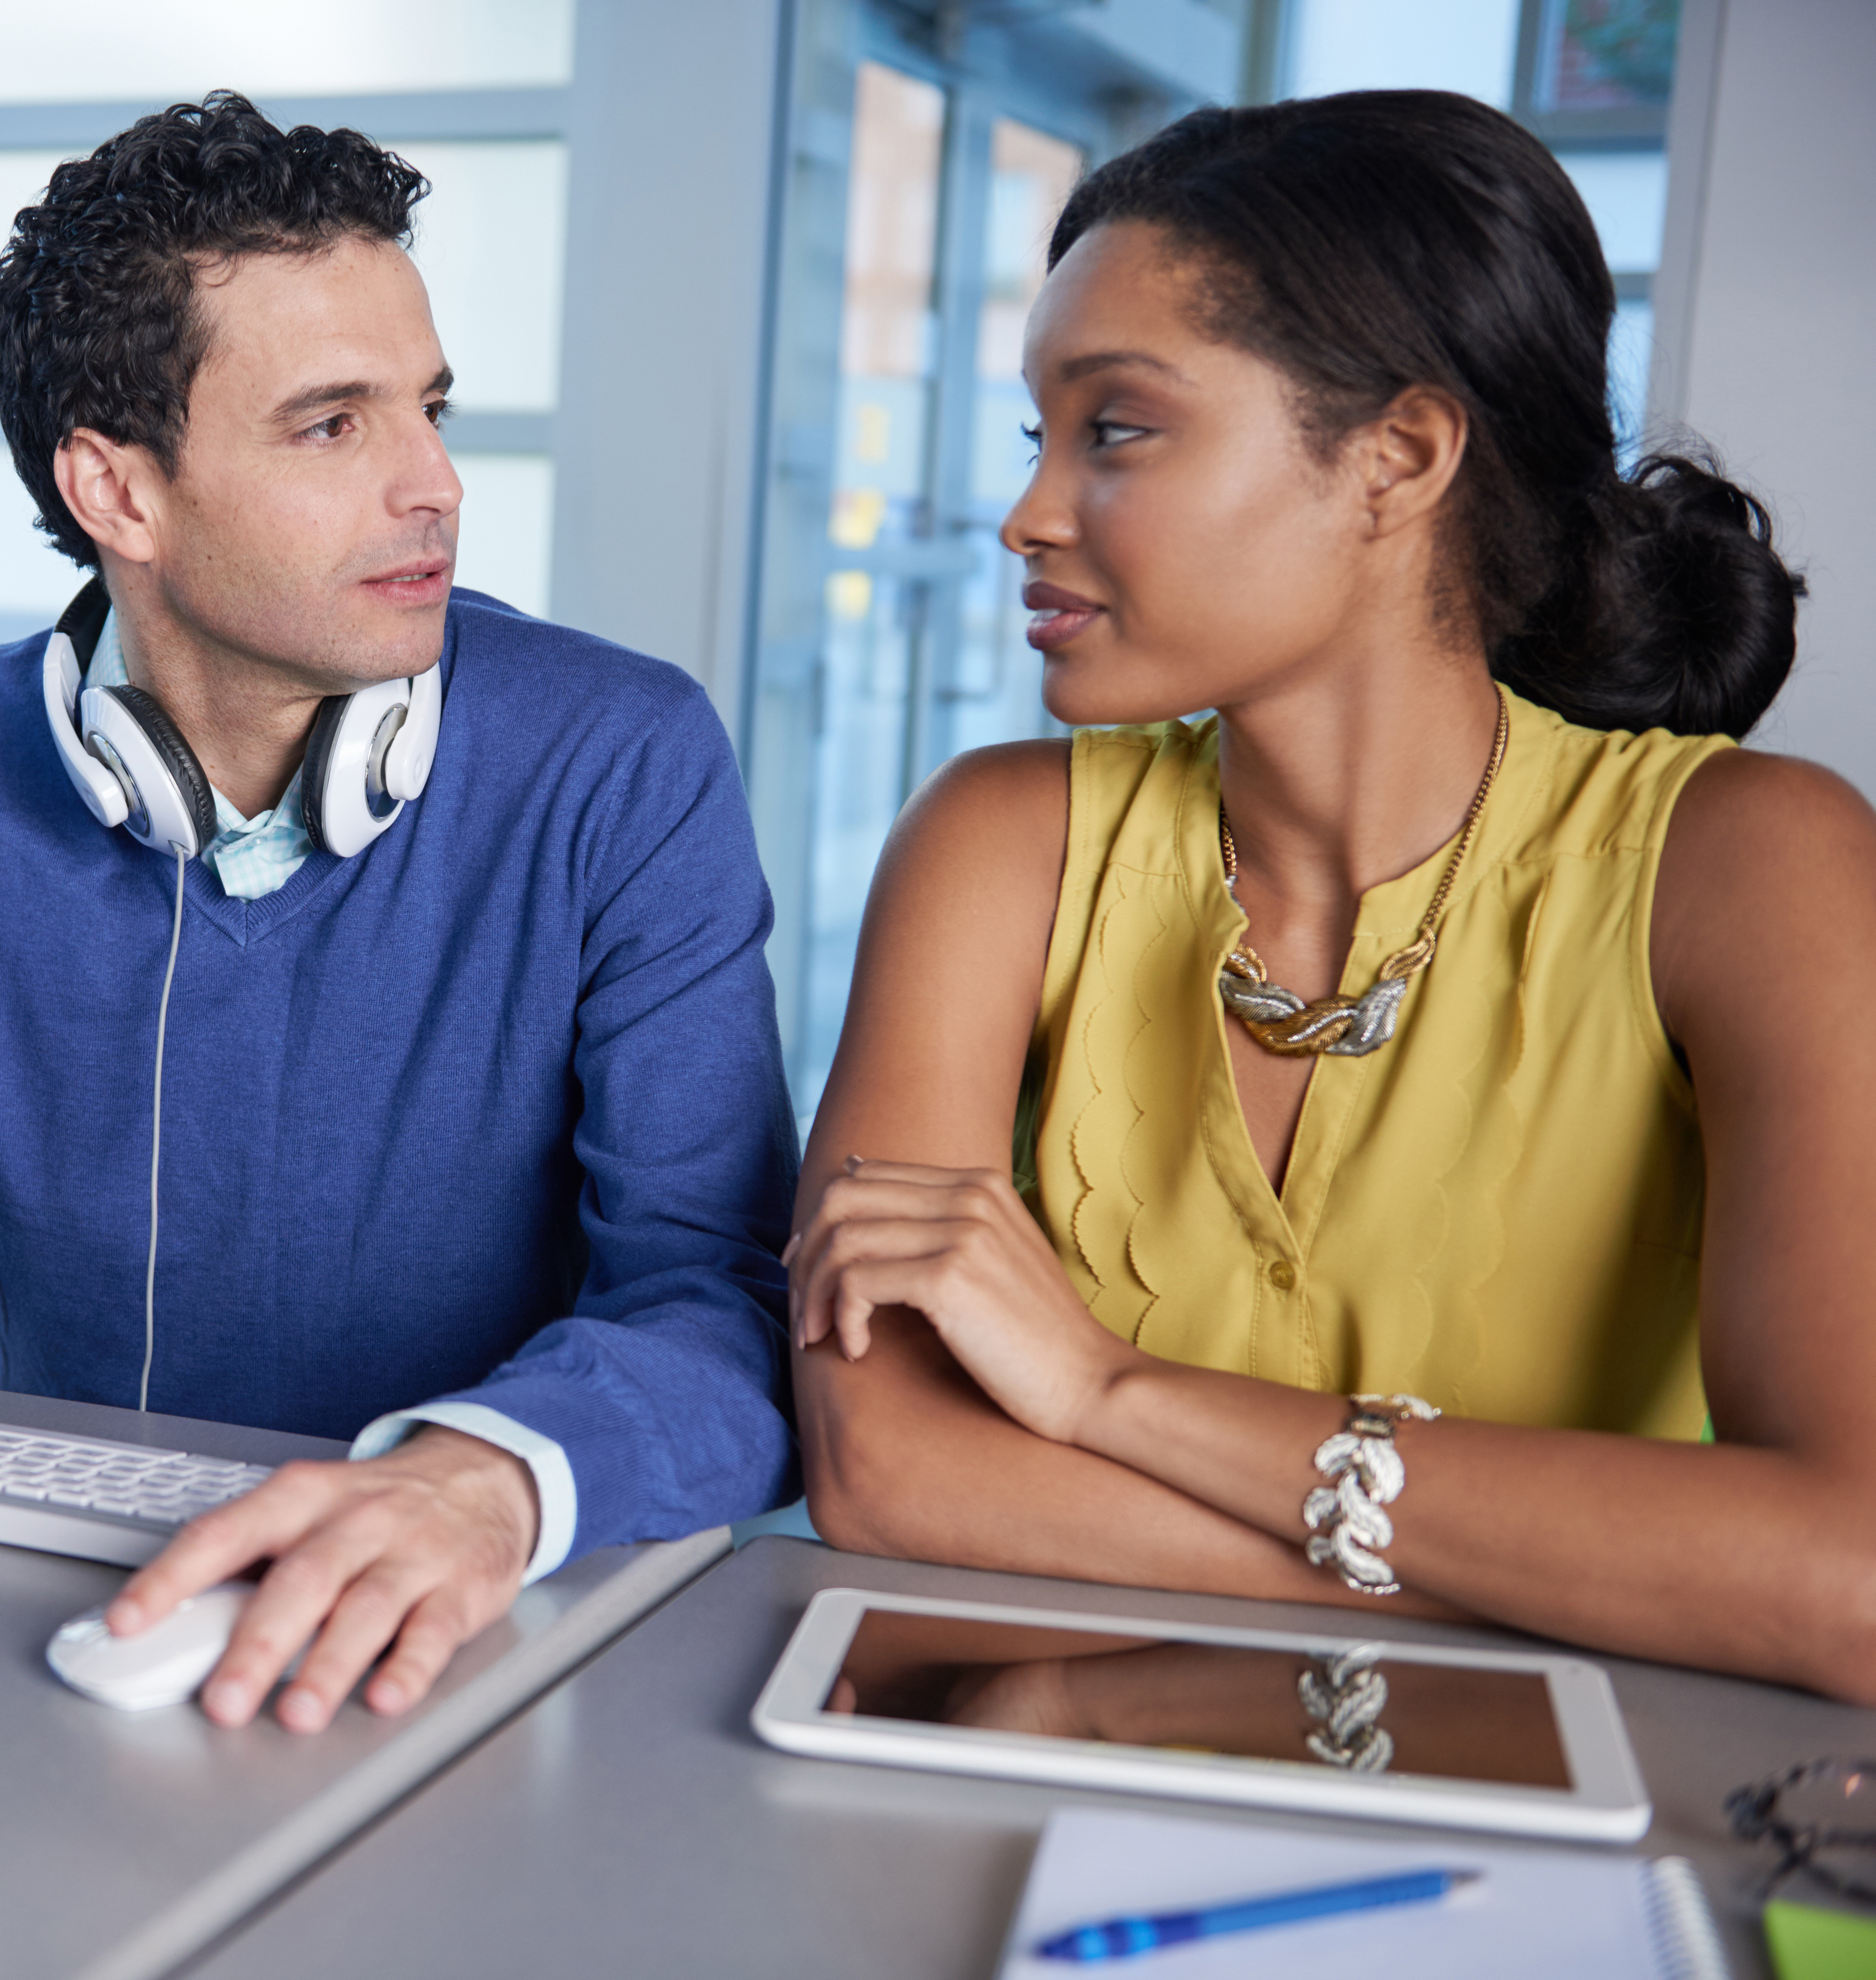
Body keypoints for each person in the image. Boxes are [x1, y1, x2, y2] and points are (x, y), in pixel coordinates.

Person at [0, 93, 797, 1731]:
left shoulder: (621, 754)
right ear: (119, 492)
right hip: (75, 1618)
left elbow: (718, 1297)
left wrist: (486, 1485)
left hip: (483, 1614)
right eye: (332, 426)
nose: (434, 483)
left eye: (428, 410)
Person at [787, 90, 1876, 1704]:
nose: (1026, 514)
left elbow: (1843, 1575)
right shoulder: (995, 844)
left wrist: (1105, 1395)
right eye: (1040, 436)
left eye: (1119, 429)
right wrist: (1595, 1575)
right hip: (1026, 1796)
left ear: (1397, 459)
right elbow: (888, 1475)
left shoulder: (1752, 863)